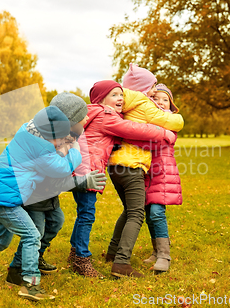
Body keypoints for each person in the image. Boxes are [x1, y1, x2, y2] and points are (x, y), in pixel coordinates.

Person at [0, 106, 81, 301]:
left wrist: (60, 141)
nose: (59, 142)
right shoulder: (41, 150)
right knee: (32, 236)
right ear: (49, 135)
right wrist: (75, 149)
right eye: (59, 138)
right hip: (6, 200)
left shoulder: (27, 131)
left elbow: (51, 149)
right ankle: (30, 285)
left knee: (1, 239)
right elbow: (63, 168)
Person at [69, 80, 177, 278]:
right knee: (135, 213)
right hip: (121, 168)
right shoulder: (107, 114)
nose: (121, 98)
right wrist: (165, 133)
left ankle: (103, 253)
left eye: (121, 94)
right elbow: (135, 129)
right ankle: (120, 263)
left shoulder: (94, 112)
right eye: (115, 95)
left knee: (120, 210)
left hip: (108, 168)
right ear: (102, 99)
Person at [6, 93, 107, 285]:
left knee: (56, 221)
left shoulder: (66, 136)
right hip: (35, 195)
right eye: (83, 116)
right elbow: (56, 174)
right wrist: (82, 181)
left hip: (48, 195)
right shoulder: (48, 142)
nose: (87, 118)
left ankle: (37, 256)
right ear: (70, 120)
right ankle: (17, 269)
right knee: (36, 232)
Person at [105, 64, 184, 278]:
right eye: (152, 89)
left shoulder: (121, 104)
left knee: (130, 209)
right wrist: (174, 122)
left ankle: (113, 253)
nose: (154, 95)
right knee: (137, 213)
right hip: (133, 165)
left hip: (115, 165)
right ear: (144, 87)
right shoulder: (142, 103)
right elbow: (173, 121)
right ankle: (122, 263)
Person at [132, 84, 182, 273]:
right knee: (148, 213)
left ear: (171, 105)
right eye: (157, 99)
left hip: (162, 172)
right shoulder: (148, 119)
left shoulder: (170, 123)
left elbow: (154, 138)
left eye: (165, 100)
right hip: (145, 171)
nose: (161, 102)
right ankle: (156, 251)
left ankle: (164, 255)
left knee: (156, 212)